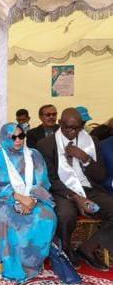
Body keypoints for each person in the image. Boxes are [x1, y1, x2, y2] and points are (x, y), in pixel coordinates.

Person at [0, 123, 57, 281]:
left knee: (47, 217)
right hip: (3, 201)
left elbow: (42, 182)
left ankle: (31, 262)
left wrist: (32, 200)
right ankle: (8, 263)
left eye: (21, 136)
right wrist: (18, 197)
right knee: (4, 218)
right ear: (5, 138)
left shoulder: (34, 155)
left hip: (33, 199)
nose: (18, 140)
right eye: (13, 137)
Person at [38, 108, 113, 270]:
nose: (73, 132)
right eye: (68, 128)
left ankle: (88, 248)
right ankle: (65, 250)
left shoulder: (91, 141)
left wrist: (85, 158)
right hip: (63, 190)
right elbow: (50, 179)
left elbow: (101, 176)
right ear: (60, 123)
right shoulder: (46, 145)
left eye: (77, 128)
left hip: (89, 188)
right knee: (65, 214)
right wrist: (77, 198)